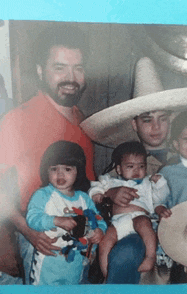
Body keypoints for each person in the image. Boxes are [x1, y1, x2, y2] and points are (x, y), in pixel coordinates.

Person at [80, 56, 187, 283]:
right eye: (147, 120)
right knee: (126, 254)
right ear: (134, 124)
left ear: (171, 120)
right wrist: (108, 194)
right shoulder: (122, 165)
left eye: (162, 119)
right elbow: (97, 199)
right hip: (135, 233)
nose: (156, 128)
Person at [0, 24, 95, 284]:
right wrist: (26, 229)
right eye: (60, 67)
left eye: (78, 67)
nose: (71, 77)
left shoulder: (85, 124)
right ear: (41, 71)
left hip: (80, 238)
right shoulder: (17, 121)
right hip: (40, 238)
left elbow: (87, 186)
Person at [26, 141, 106, 285]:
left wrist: (100, 230)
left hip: (76, 264)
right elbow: (32, 218)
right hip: (48, 263)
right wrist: (56, 220)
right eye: (54, 169)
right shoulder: (43, 195)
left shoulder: (84, 198)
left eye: (67, 169)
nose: (60, 174)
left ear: (78, 171)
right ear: (46, 170)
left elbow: (98, 219)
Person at [88, 141, 169, 278]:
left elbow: (160, 198)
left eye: (141, 166)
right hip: (117, 221)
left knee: (146, 226)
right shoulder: (111, 182)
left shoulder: (147, 183)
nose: (137, 171)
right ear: (119, 169)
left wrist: (160, 183)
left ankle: (150, 257)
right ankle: (106, 272)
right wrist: (97, 193)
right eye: (130, 166)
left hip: (139, 216)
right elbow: (96, 186)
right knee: (105, 241)